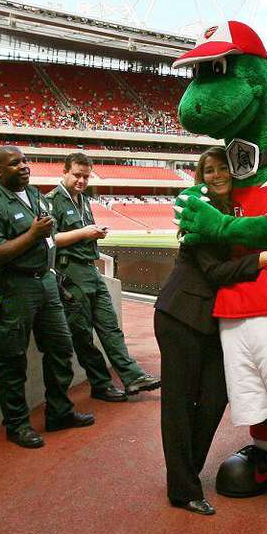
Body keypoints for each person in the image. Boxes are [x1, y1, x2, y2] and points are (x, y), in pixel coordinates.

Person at [154, 147, 267, 515]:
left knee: (214, 398)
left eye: (223, 169)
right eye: (209, 171)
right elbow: (215, 273)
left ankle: (187, 474)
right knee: (178, 405)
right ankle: (184, 489)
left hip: (209, 319)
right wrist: (263, 259)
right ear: (200, 178)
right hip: (181, 316)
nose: (217, 175)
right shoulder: (199, 213)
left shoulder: (231, 212)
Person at [0, 146, 94, 449]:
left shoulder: (37, 195)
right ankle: (16, 425)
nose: (24, 166)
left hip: (45, 282)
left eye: (25, 161)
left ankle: (59, 412)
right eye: (15, 164)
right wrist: (32, 235)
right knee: (13, 359)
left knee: (61, 348)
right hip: (14, 288)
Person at [47, 153, 160, 400]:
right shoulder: (51, 201)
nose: (81, 181)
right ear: (64, 171)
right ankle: (101, 384)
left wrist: (94, 233)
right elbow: (50, 240)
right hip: (70, 273)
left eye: (86, 177)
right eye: (77, 175)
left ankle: (132, 377)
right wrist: (84, 233)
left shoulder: (83, 200)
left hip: (90, 269)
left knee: (110, 327)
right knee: (83, 335)